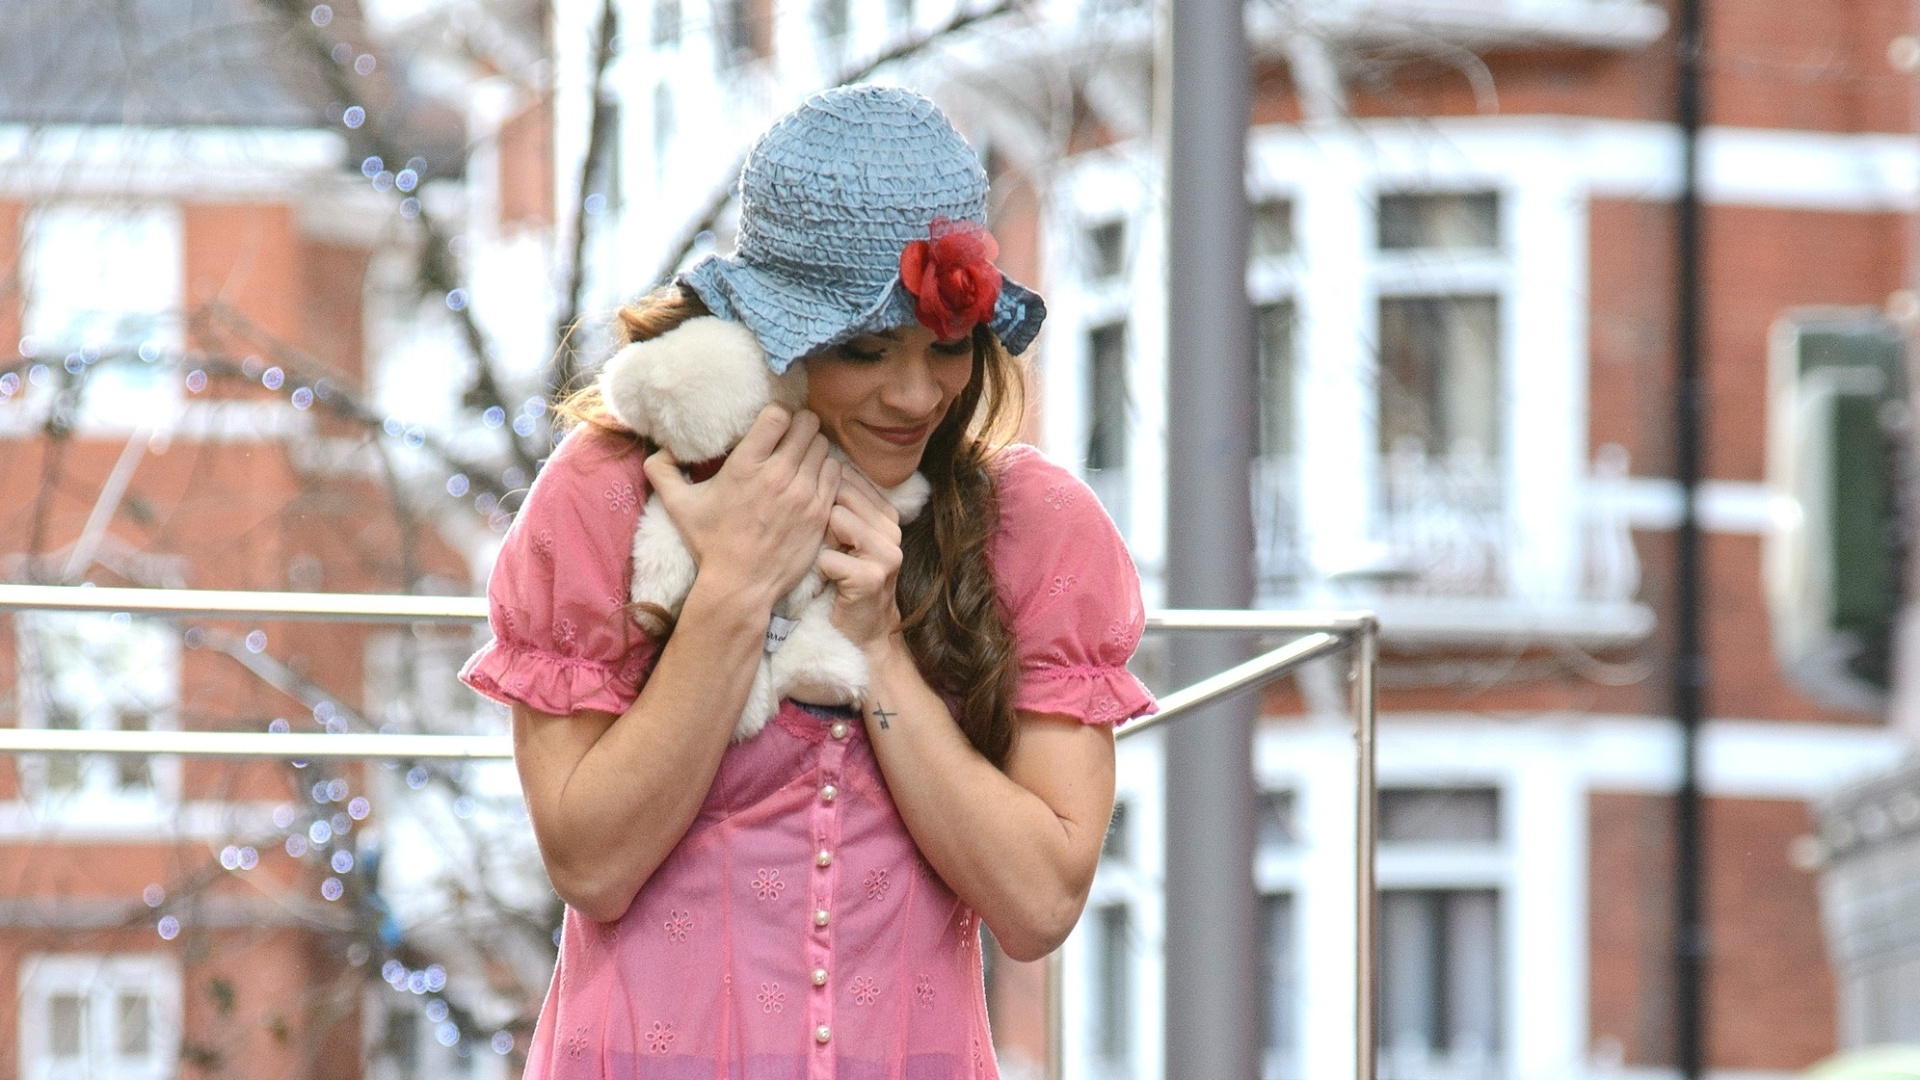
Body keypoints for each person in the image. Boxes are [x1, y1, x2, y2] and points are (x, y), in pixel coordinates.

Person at [460, 83, 1155, 1080]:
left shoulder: (1034, 534)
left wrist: (877, 651)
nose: (915, 394)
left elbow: (1039, 904)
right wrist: (736, 588)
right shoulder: (610, 499)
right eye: (864, 351)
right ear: (766, 336)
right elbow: (591, 865)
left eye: (946, 349)